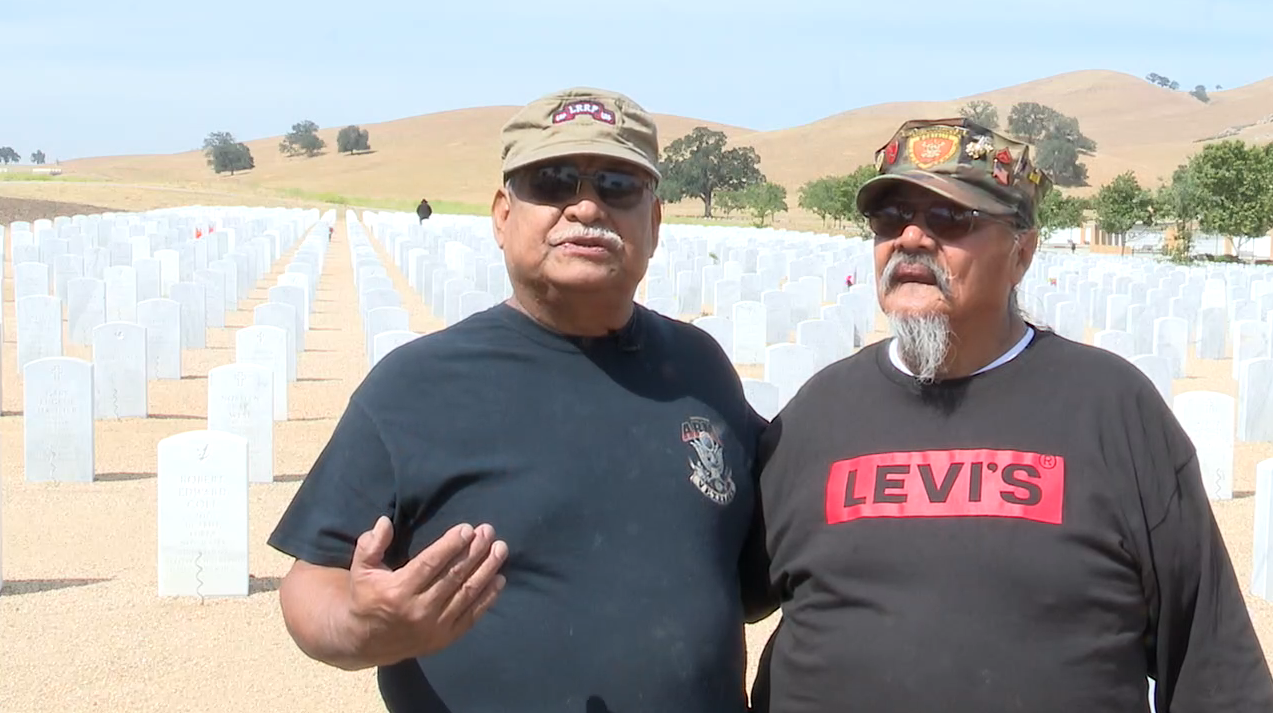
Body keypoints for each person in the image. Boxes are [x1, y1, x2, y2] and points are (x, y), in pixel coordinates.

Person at [267, 86, 776, 713]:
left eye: (619, 185)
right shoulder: (416, 387)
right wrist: (363, 623)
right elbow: (311, 583)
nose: (586, 206)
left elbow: (764, 558)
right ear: (503, 216)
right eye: (554, 181)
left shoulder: (703, 370)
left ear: (655, 223)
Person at [750, 117, 1273, 712]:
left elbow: (1215, 674)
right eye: (891, 218)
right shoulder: (818, 414)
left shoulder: (1113, 412)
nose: (913, 238)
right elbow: (705, 598)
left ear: (1022, 252)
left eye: (950, 218)